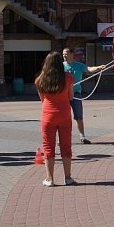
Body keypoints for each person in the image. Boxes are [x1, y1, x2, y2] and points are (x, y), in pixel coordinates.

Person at [36, 52, 76, 187]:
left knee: (48, 147)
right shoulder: (68, 78)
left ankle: (50, 179)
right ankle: (68, 177)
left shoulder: (40, 80)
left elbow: (42, 99)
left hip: (47, 115)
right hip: (64, 114)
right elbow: (71, 97)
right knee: (66, 146)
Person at [62, 48, 105, 144]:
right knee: (63, 117)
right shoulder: (61, 66)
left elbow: (89, 69)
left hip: (76, 93)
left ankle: (82, 136)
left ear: (72, 55)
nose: (64, 55)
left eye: (66, 54)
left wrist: (98, 68)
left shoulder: (78, 65)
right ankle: (61, 139)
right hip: (64, 94)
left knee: (79, 116)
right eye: (63, 54)